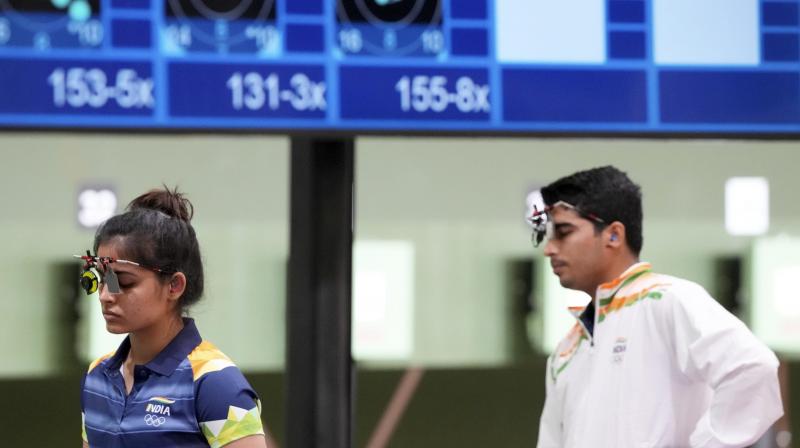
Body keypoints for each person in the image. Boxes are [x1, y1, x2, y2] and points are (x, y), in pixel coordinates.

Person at [528, 166, 783, 447]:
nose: (549, 248)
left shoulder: (667, 300)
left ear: (613, 235)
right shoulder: (566, 351)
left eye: (564, 232)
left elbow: (753, 369)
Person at [78, 187, 268, 448]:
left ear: (174, 286)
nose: (105, 295)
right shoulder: (97, 376)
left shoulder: (215, 382)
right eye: (103, 279)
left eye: (123, 281)